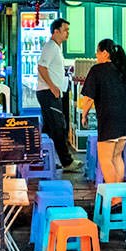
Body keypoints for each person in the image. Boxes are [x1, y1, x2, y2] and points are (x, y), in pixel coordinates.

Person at [77, 38, 126, 188]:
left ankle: (115, 197)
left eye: (97, 52)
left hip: (110, 119)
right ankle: (118, 194)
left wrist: (84, 115)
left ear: (104, 53)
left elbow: (88, 98)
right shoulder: (124, 69)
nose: (96, 56)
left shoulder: (97, 70)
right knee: (117, 157)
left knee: (105, 159)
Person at [37, 18, 78, 171]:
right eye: (65, 30)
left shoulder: (56, 48)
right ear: (56, 31)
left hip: (50, 92)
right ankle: (66, 162)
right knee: (59, 127)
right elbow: (41, 67)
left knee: (49, 128)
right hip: (48, 93)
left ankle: (47, 159)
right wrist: (53, 86)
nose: (67, 33)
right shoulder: (51, 47)